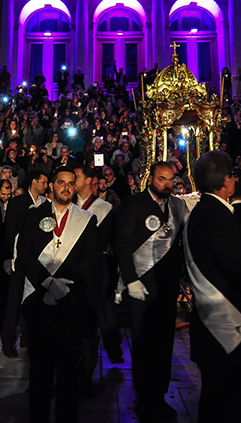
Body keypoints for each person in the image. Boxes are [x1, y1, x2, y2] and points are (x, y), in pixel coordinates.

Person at [184, 151, 241, 423]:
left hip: (211, 323)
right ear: (227, 181)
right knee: (234, 401)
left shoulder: (201, 211)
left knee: (217, 398)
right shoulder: (218, 216)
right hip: (228, 327)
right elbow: (240, 271)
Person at [16, 168, 102, 423]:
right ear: (51, 186)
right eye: (61, 183)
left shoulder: (87, 219)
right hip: (40, 302)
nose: (66, 187)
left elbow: (92, 259)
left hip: (71, 303)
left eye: (70, 184)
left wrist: (65, 284)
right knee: (39, 369)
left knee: (67, 370)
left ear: (75, 188)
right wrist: (47, 283)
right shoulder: (34, 216)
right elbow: (25, 254)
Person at [114, 162, 189, 421]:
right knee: (144, 346)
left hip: (167, 287)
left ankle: (159, 396)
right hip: (141, 289)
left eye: (171, 180)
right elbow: (122, 243)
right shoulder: (133, 203)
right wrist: (131, 279)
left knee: (164, 344)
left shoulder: (178, 206)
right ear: (151, 179)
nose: (167, 184)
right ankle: (144, 399)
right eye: (162, 179)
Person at [73, 164, 122, 392]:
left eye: (76, 177)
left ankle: (86, 374)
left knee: (92, 321)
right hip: (71, 271)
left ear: (89, 182)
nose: (73, 181)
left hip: (96, 272)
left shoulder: (105, 209)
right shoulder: (69, 206)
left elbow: (108, 243)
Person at [0, 170, 49, 357]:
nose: (45, 185)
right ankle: (8, 342)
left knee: (34, 299)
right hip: (18, 258)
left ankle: (29, 337)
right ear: (34, 182)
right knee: (14, 301)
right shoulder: (18, 202)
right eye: (43, 182)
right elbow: (10, 230)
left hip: (38, 259)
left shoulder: (46, 204)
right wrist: (8, 257)